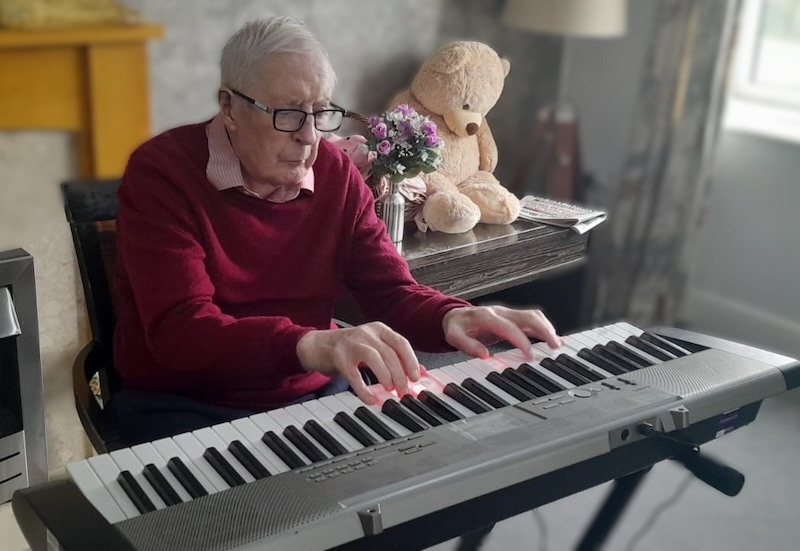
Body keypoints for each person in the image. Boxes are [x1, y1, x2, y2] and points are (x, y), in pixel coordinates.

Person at [110, 16, 563, 446]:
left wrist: (451, 315)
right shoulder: (162, 174)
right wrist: (312, 344)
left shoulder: (334, 173)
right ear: (229, 107)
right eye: (287, 114)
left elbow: (390, 291)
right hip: (189, 407)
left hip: (312, 395)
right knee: (248, 523)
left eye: (320, 112)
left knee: (422, 479)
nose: (309, 136)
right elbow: (181, 334)